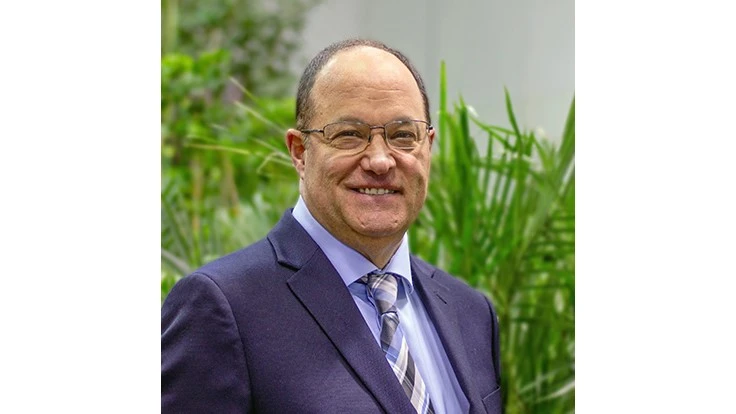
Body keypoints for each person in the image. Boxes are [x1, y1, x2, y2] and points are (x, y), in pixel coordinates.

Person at [162, 38, 502, 414]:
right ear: (299, 152)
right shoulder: (223, 308)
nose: (380, 161)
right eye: (349, 135)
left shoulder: (472, 314)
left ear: (428, 146)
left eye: (403, 136)